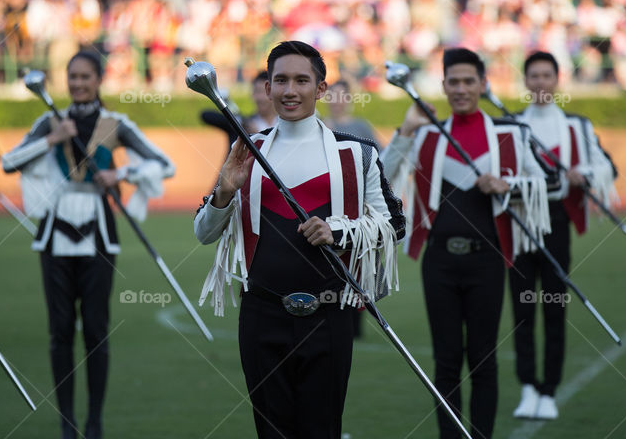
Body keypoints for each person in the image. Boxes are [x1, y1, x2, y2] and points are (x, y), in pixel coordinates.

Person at [194, 41, 404, 439]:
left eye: (302, 80)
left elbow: (395, 223)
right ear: (268, 88)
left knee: (321, 431)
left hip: (329, 317)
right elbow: (204, 233)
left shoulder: (357, 153)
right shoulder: (246, 151)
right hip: (261, 316)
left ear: (321, 89)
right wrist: (224, 192)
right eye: (281, 80)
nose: (291, 90)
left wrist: (338, 230)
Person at [2, 51, 175, 439]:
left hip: (99, 233)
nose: (78, 84)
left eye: (85, 77)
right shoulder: (50, 120)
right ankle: (67, 421)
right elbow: (9, 163)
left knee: (96, 329)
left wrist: (120, 173)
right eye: (72, 77)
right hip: (55, 232)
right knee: (60, 330)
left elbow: (164, 164)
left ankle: (94, 421)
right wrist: (53, 139)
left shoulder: (117, 124)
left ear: (98, 79)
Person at [381, 48, 550, 439]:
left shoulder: (509, 134)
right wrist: (406, 130)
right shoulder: (424, 134)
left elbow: (547, 184)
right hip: (438, 262)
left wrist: (509, 185)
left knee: (483, 359)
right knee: (445, 361)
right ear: (443, 86)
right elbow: (383, 179)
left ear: (483, 85)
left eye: (468, 81)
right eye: (453, 82)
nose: (460, 89)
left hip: (487, 261)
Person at [510, 51, 617, 420]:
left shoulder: (577, 126)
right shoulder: (512, 125)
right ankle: (527, 386)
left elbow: (607, 166)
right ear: (526, 82)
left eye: (546, 75)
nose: (540, 82)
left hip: (556, 224)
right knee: (522, 310)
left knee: (554, 307)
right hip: (520, 226)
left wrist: (584, 175)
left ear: (557, 81)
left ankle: (549, 389)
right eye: (534, 76)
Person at [323, 78, 381, 338]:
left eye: (341, 96)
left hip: (357, 206)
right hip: (329, 206)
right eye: (331, 96)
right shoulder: (319, 125)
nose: (336, 102)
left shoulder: (361, 126)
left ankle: (356, 318)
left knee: (356, 261)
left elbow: (379, 160)